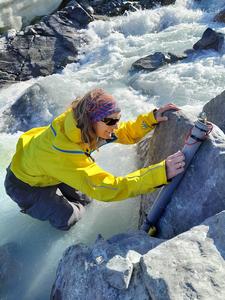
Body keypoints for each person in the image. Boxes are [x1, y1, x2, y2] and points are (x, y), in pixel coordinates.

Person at [4, 88, 185, 230]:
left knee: (86, 201)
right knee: (69, 219)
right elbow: (107, 189)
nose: (115, 126)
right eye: (111, 121)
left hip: (47, 168)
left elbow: (123, 133)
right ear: (93, 121)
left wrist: (150, 119)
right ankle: (38, 207)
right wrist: (161, 173)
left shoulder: (82, 123)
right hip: (25, 186)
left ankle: (60, 196)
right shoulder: (66, 150)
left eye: (117, 119)